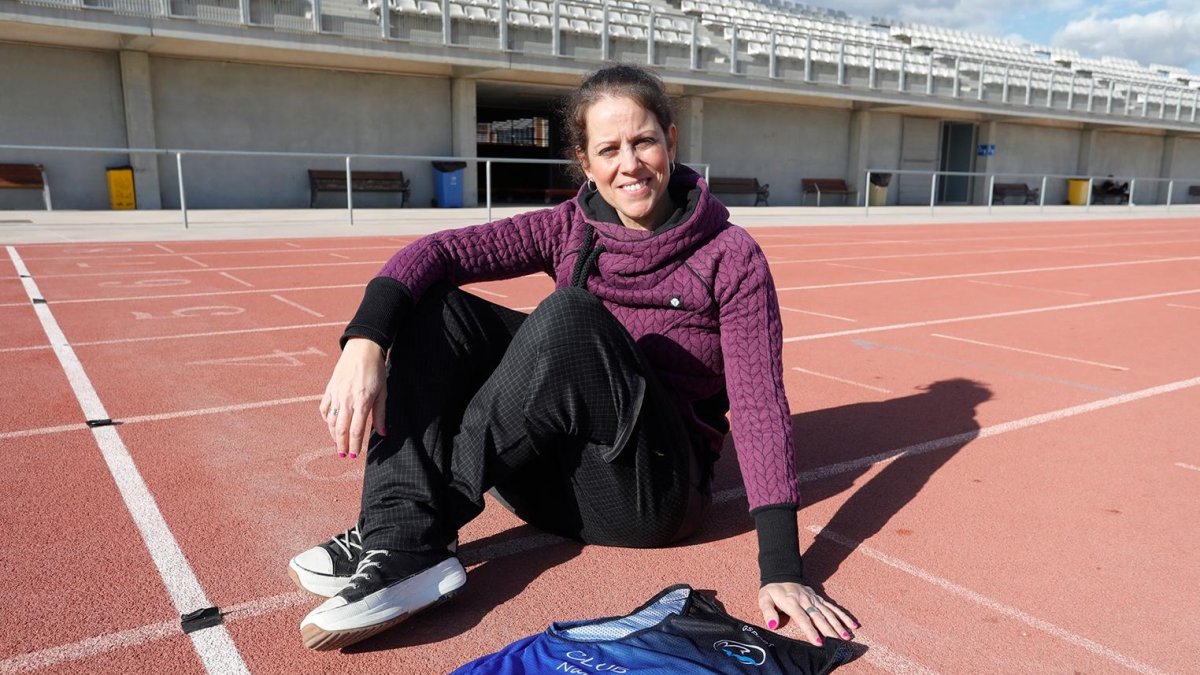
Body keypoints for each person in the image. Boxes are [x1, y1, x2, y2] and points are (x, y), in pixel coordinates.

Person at [288, 63, 857, 652]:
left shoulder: (730, 257)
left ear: (670, 141)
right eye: (609, 149)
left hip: (649, 498)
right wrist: (365, 343)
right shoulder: (569, 227)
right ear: (585, 163)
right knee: (436, 309)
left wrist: (783, 567)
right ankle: (397, 525)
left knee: (568, 316)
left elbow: (760, 407)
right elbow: (433, 250)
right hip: (548, 480)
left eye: (643, 141)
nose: (629, 164)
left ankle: (413, 532)